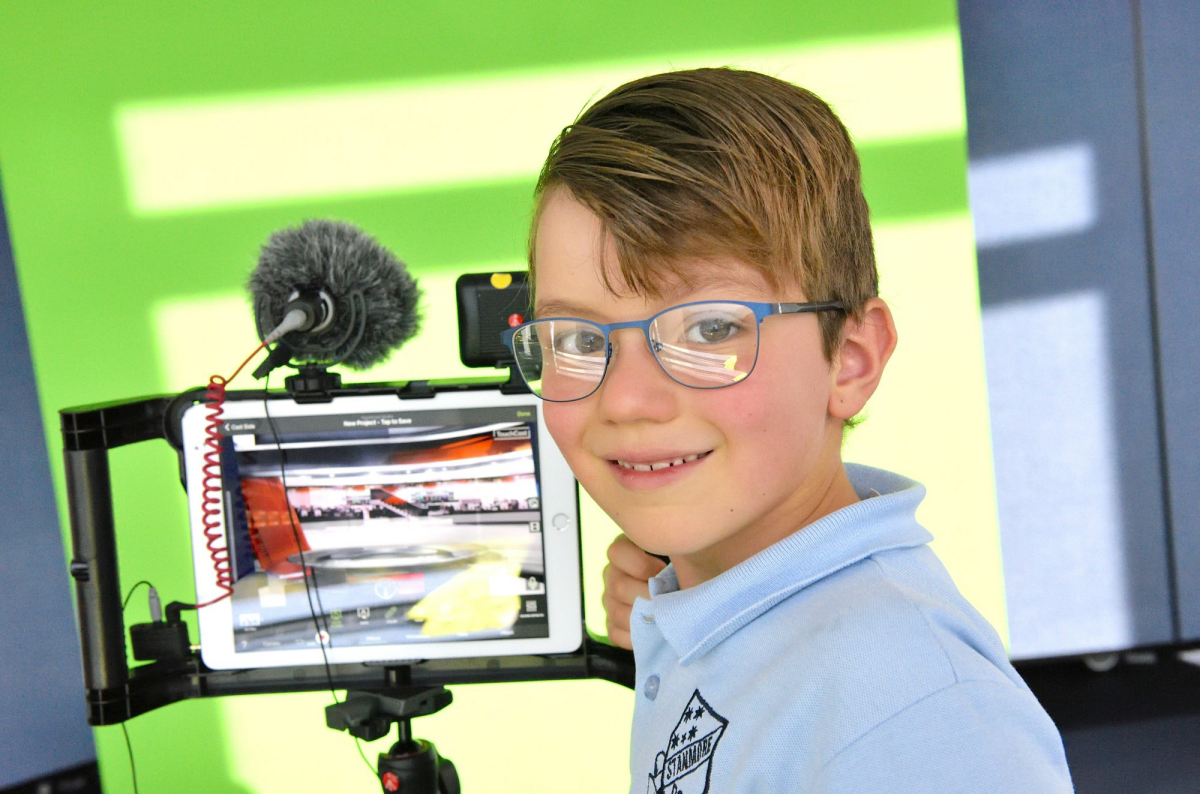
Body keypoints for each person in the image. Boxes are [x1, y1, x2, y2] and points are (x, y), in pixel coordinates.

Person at [505, 68, 1074, 793]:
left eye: (710, 328)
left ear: (851, 361)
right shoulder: (718, 603)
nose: (628, 401)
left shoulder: (919, 715)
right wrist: (680, 620)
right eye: (579, 340)